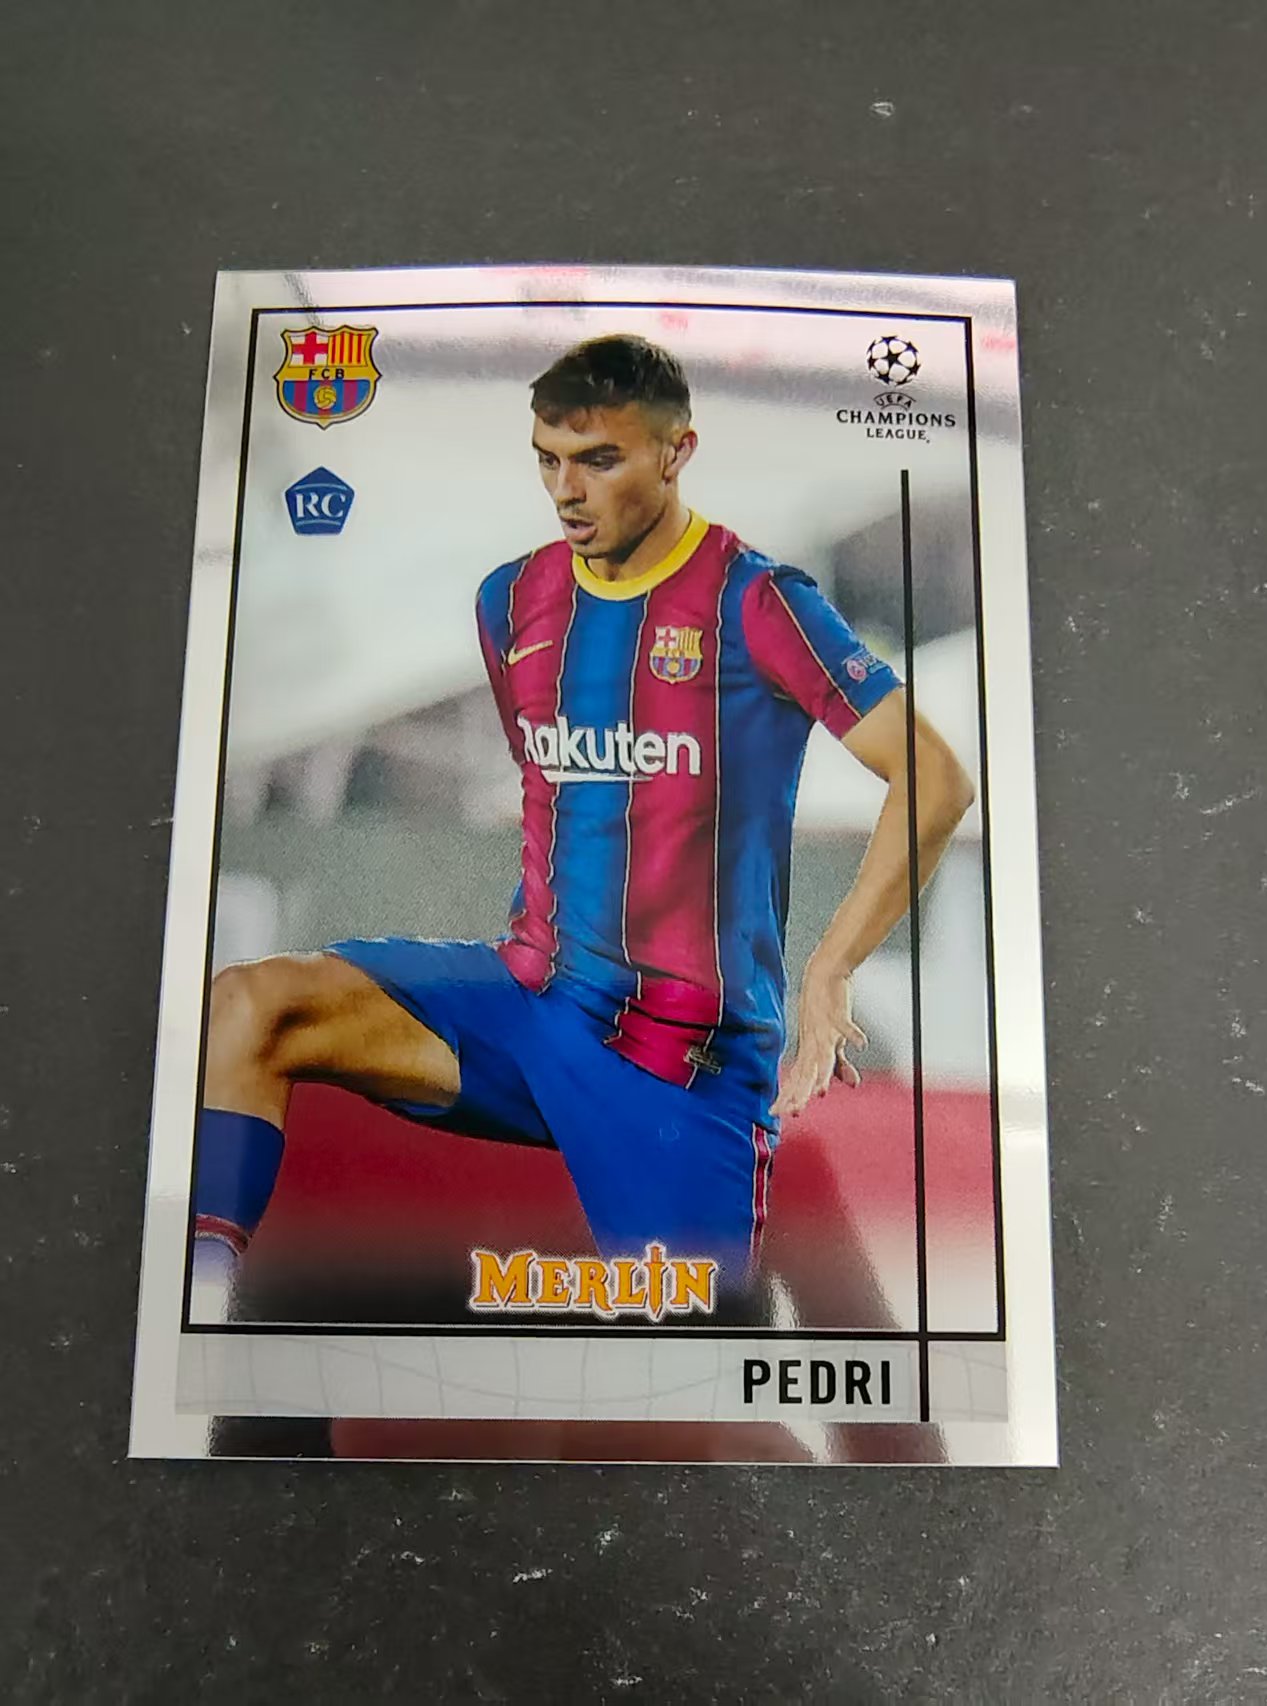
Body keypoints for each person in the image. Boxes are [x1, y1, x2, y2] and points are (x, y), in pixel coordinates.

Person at [190, 333, 973, 1321]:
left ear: (677, 453)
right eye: (549, 459)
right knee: (251, 1003)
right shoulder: (510, 600)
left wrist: (829, 968)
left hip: (681, 1058)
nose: (567, 489)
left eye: (599, 460)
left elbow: (935, 780)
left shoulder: (759, 602)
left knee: (683, 1363)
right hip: (528, 1008)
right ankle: (199, 1314)